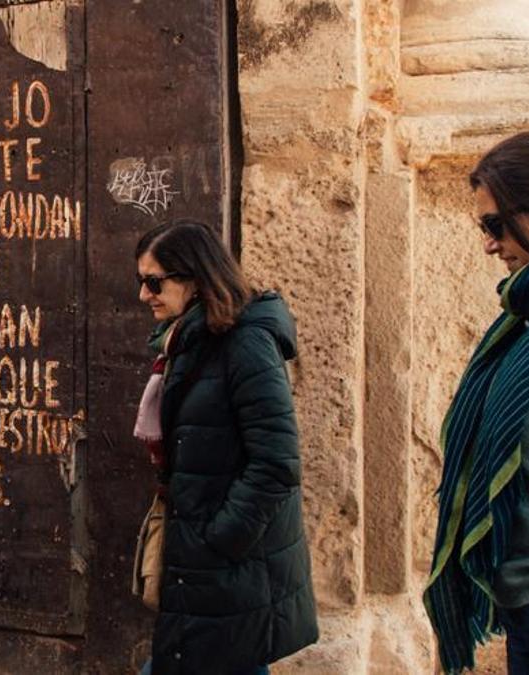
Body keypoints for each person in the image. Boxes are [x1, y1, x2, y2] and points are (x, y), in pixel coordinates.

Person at [132, 221, 318, 674]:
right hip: (207, 566)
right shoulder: (190, 342)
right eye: (141, 282)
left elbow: (276, 464)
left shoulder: (245, 343)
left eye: (154, 282)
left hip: (227, 565)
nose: (144, 295)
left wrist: (220, 540)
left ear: (195, 278)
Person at [425, 131, 529, 674]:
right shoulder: (520, 319)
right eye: (482, 227)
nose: (489, 244)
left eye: (495, 225)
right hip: (522, 596)